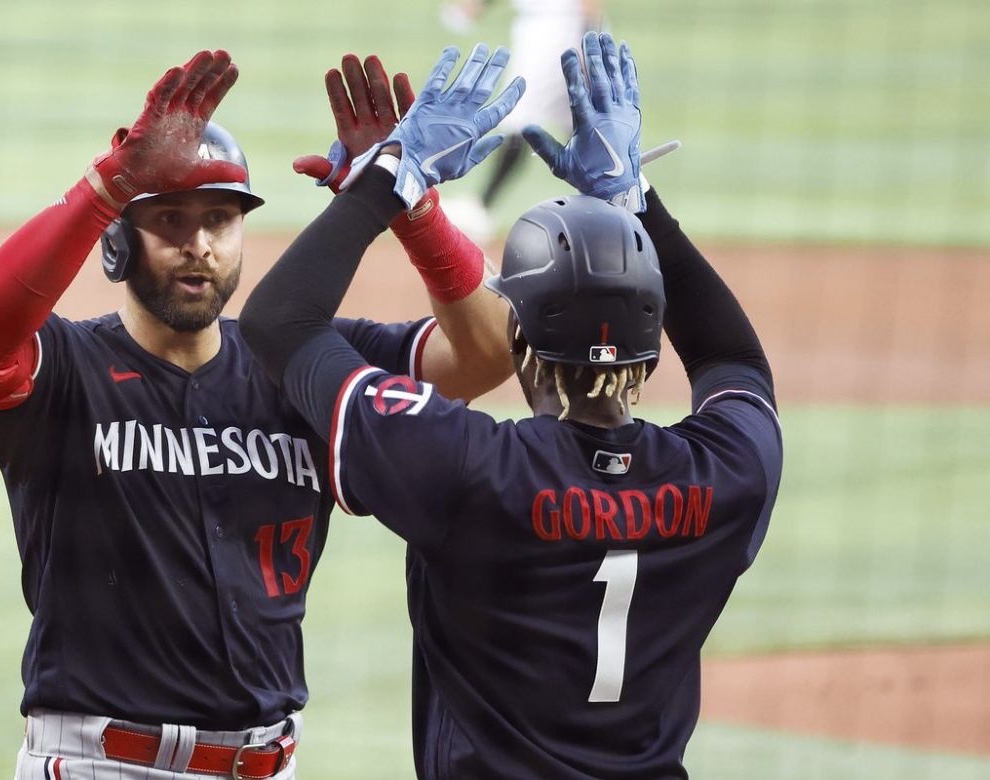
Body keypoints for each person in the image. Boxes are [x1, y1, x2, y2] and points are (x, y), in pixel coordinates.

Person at [0, 48, 512, 780]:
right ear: (117, 240)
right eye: (169, 219)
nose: (199, 244)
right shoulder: (66, 372)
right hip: (101, 765)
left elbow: (488, 353)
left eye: (220, 220)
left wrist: (412, 203)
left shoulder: (304, 368)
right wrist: (107, 185)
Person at [241, 32, 783, 779]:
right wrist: (635, 200)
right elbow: (734, 358)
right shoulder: (727, 474)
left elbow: (277, 324)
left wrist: (394, 174)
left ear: (519, 338)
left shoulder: (465, 466)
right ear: (655, 344)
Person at [439, 0, 603, 242]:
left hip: (558, 28)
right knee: (578, 125)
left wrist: (587, 36)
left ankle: (482, 208)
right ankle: (620, 204)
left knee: (520, 114)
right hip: (552, 27)